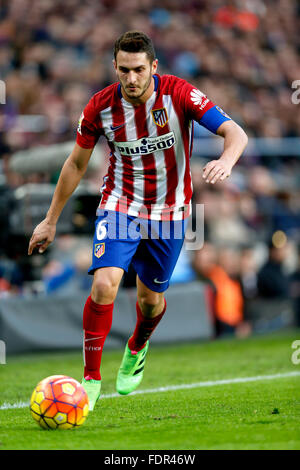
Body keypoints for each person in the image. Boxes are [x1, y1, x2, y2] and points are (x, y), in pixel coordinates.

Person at [28, 31, 248, 410]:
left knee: (149, 301)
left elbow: (235, 132)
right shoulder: (99, 107)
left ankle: (138, 344)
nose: (131, 78)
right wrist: (50, 220)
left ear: (154, 67)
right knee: (104, 286)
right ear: (115, 67)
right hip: (121, 206)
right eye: (124, 70)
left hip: (172, 213)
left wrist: (225, 161)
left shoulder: (179, 94)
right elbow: (77, 164)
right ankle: (91, 379)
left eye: (139, 70)